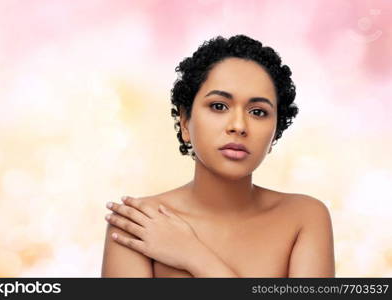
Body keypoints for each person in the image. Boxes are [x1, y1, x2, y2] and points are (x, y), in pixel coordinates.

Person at [101, 34, 335, 278]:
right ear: (184, 121)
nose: (238, 126)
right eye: (219, 106)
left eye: (258, 112)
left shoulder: (304, 218)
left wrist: (193, 255)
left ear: (275, 131)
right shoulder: (139, 224)